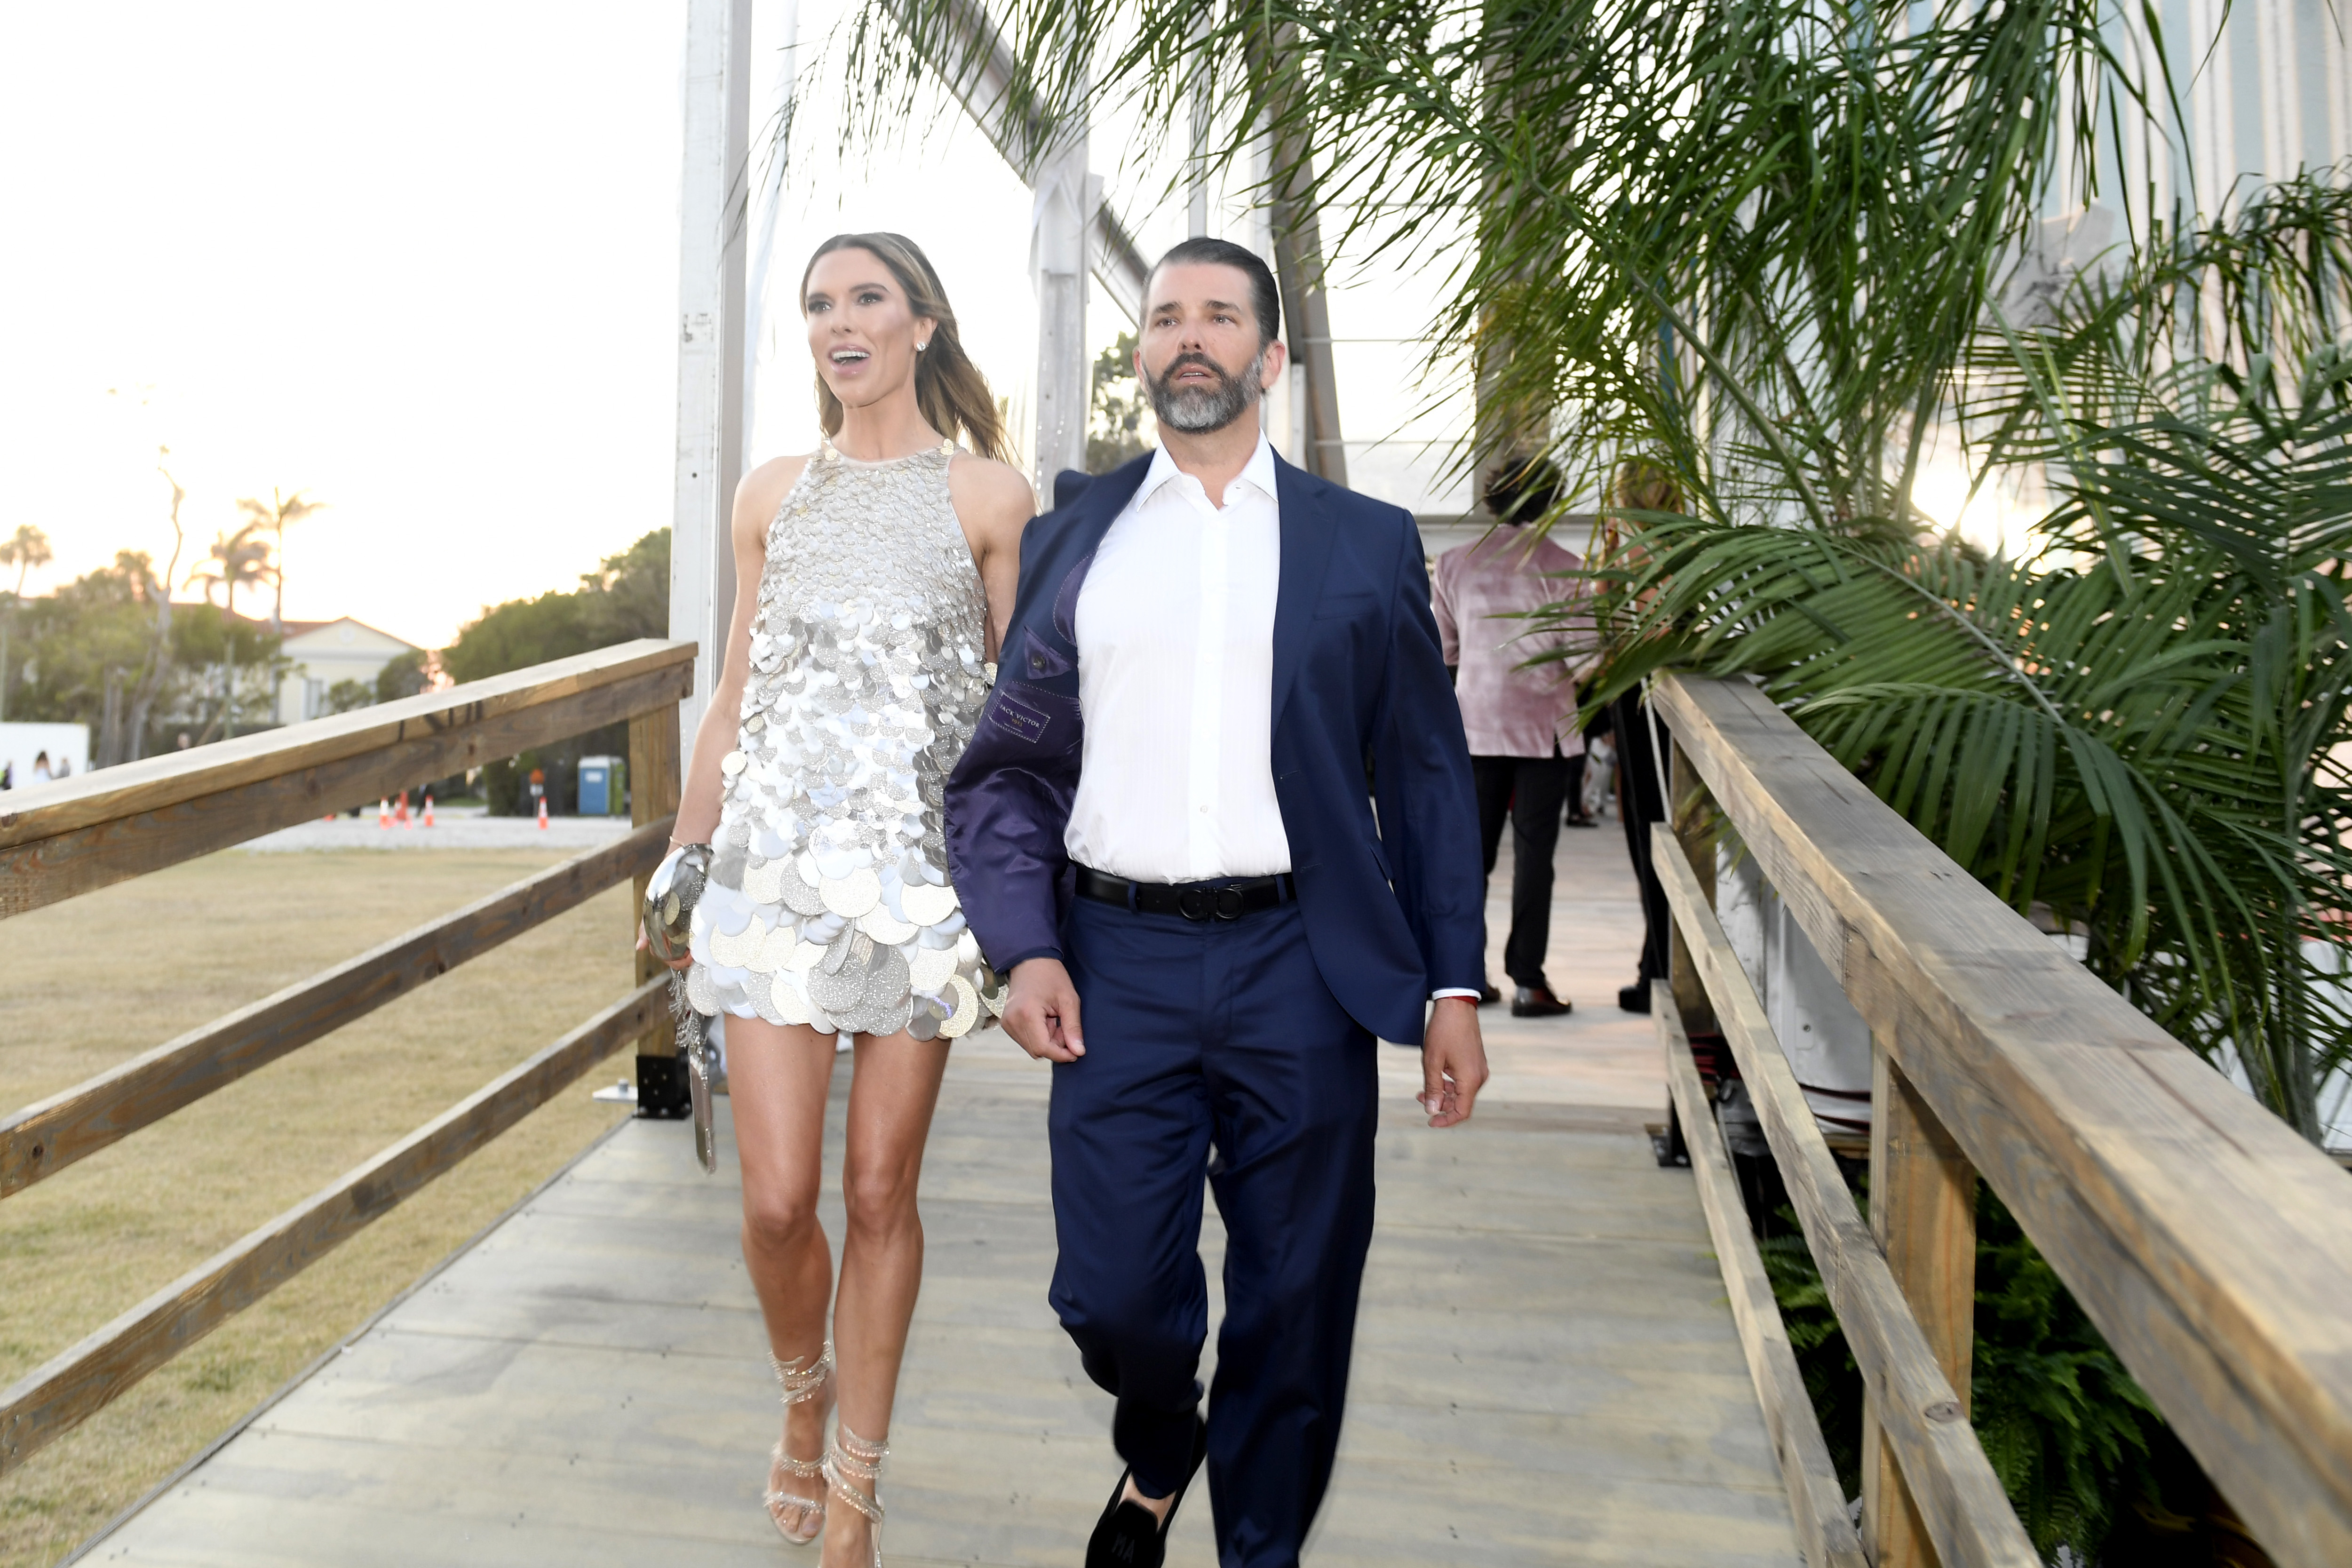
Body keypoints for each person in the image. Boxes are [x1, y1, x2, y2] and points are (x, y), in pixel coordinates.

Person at [943, 236, 1489, 1568]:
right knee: (1115, 1295)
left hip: (1304, 959)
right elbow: (1009, 768)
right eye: (1166, 317)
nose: (1190, 336)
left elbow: (1425, 774)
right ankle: (1160, 1436)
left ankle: (1259, 1547)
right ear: (1142, 353)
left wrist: (1454, 984)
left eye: (1220, 316)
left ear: (1270, 354)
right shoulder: (1074, 538)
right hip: (1112, 959)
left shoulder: (1364, 543)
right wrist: (1023, 947)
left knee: (1297, 1295)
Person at [641, 232, 1032, 1568]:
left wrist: (1023, 906)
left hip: (920, 893)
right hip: (771, 877)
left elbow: (1019, 725)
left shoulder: (991, 497)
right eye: (820, 303)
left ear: (923, 322)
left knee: (876, 1190)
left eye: (867, 298)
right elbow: (734, 693)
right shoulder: (771, 494)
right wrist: (686, 855)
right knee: (774, 1201)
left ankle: (856, 1486)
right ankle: (800, 1394)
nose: (839, 321)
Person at [1432, 452, 1596, 1017]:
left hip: (1474, 730)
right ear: (1552, 501)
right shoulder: (1567, 568)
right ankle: (1529, 982)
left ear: (1490, 500)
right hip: (1542, 735)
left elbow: (1444, 651)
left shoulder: (1452, 564)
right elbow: (1585, 663)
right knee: (1534, 859)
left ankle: (1467, 980)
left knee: (1470, 861)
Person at [1601, 457, 1682, 1014]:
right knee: (1658, 831)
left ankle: (1659, 966)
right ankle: (1656, 961)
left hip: (1640, 696)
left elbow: (1620, 629)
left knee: (1648, 832)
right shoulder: (1680, 549)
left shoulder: (1635, 553)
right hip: (1653, 695)